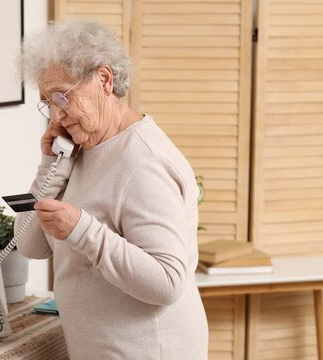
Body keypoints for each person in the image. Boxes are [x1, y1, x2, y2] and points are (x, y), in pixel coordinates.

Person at [16, 19, 208, 360]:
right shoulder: (82, 145)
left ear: (104, 79)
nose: (56, 116)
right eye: (48, 102)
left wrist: (83, 230)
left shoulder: (144, 163)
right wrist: (49, 167)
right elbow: (29, 245)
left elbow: (167, 281)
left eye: (63, 96)